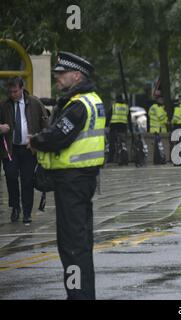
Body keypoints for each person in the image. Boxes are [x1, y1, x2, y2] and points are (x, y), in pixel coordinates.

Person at [29, 52, 105, 299]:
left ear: (76, 75)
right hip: (81, 180)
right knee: (79, 242)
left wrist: (36, 141)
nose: (57, 78)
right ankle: (83, 294)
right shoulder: (91, 100)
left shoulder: (79, 105)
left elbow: (59, 137)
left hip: (73, 181)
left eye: (61, 74)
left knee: (72, 245)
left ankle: (78, 296)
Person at [0, 77, 48, 224]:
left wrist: (38, 140)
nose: (13, 94)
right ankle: (15, 206)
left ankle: (27, 212)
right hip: (10, 148)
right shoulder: (4, 105)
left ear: (22, 89)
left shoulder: (34, 103)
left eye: (15, 91)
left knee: (27, 180)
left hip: (29, 148)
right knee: (11, 176)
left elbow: (45, 123)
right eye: (10, 91)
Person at [106, 94, 129, 164]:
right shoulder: (126, 107)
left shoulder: (114, 106)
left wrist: (106, 125)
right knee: (123, 143)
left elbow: (108, 116)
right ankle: (123, 157)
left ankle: (111, 158)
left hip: (114, 126)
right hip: (123, 126)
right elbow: (129, 117)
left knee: (112, 143)